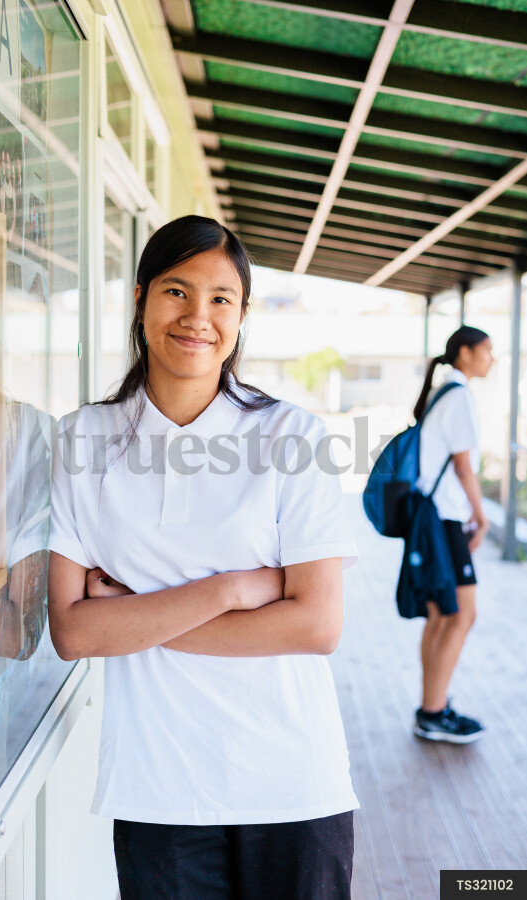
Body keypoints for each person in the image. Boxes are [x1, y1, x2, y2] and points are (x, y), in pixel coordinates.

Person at [48, 215, 359, 899]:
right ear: (139, 298)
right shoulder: (84, 441)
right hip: (157, 792)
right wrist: (231, 591)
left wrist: (134, 616)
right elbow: (73, 633)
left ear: (243, 315)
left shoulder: (291, 435)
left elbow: (315, 627)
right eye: (176, 290)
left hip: (294, 788)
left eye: (221, 298)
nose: (198, 316)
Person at [412, 325, 493, 743]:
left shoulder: (445, 390)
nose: (491, 359)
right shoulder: (458, 395)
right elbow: (464, 468)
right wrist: (481, 516)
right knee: (462, 613)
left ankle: (432, 705)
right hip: (445, 518)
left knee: (442, 614)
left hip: (431, 517)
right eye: (486, 351)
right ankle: (433, 710)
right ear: (464, 353)